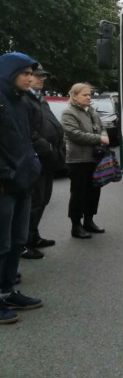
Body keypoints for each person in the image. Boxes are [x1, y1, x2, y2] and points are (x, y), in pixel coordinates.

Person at [0, 52, 44, 324]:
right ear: (8, 72)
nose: (30, 78)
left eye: (31, 73)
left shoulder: (22, 101)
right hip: (4, 185)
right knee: (1, 244)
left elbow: (27, 140)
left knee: (17, 242)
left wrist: (33, 166)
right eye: (25, 73)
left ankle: (7, 291)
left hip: (23, 182)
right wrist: (6, 174)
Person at [22, 64, 65, 259]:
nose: (41, 79)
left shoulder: (39, 98)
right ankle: (23, 243)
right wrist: (46, 147)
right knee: (33, 203)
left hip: (47, 160)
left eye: (42, 76)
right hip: (36, 158)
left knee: (43, 200)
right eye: (36, 76)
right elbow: (28, 131)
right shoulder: (25, 99)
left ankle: (34, 236)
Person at [61, 83, 109, 239]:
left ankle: (89, 221)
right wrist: (99, 138)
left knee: (94, 191)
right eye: (85, 94)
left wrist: (104, 134)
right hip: (78, 159)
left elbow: (102, 126)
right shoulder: (69, 113)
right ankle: (76, 225)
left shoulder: (92, 111)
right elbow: (75, 134)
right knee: (78, 193)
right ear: (74, 96)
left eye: (90, 94)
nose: (89, 97)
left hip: (95, 158)